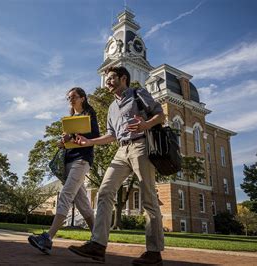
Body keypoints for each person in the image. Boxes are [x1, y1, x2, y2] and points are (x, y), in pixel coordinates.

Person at [68, 66, 165, 265]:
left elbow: (160, 115)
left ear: (123, 79)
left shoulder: (138, 93)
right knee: (104, 192)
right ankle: (98, 246)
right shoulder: (112, 107)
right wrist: (89, 142)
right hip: (121, 150)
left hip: (141, 145)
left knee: (148, 198)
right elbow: (111, 135)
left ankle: (154, 253)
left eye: (112, 78)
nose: (108, 82)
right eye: (107, 78)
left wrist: (146, 124)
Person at [28, 87, 99, 255]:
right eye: (69, 98)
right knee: (83, 204)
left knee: (65, 195)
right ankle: (98, 240)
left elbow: (95, 135)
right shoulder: (70, 118)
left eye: (74, 97)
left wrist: (72, 135)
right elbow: (68, 140)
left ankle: (48, 238)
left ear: (82, 98)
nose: (70, 100)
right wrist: (63, 142)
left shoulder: (89, 115)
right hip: (68, 160)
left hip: (81, 160)